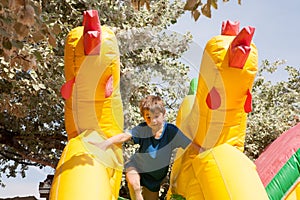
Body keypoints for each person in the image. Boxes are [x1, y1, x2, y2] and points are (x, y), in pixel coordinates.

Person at [90, 95, 203, 200]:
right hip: (137, 167)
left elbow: (190, 145)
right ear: (144, 118)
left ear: (164, 114)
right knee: (135, 185)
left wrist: (203, 152)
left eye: (156, 116)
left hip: (154, 180)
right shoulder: (143, 129)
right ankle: (138, 193)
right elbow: (124, 136)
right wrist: (104, 144)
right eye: (148, 117)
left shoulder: (171, 132)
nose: (152, 121)